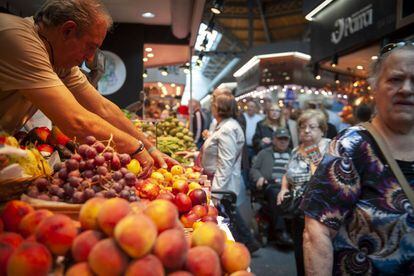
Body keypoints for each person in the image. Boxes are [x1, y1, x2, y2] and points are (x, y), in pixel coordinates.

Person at [0, 0, 177, 176]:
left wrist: (150, 148)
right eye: (90, 47)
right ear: (67, 30)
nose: (89, 58)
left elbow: (102, 107)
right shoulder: (19, 40)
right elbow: (76, 121)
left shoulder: (58, 58)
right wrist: (135, 148)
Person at [301, 43, 414, 274]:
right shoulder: (351, 146)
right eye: (395, 79)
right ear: (375, 87)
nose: (406, 89)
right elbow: (316, 233)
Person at [179, 88, 261, 253]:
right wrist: (195, 153)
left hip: (220, 182)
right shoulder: (223, 126)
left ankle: (243, 245)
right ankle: (247, 243)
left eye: (214, 104)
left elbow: (226, 163)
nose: (211, 107)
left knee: (227, 217)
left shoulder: (229, 129)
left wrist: (215, 194)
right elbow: (217, 153)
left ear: (219, 108)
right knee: (229, 215)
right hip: (217, 180)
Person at [276, 109, 330, 276]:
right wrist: (284, 188)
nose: (306, 131)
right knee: (300, 252)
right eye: (303, 127)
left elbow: (318, 175)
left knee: (317, 255)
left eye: (312, 127)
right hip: (298, 209)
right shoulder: (296, 150)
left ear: (322, 129)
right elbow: (287, 173)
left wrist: (311, 149)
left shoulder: (327, 147)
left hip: (318, 210)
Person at [250, 128, 293, 245]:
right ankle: (281, 231)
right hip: (270, 185)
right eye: (280, 139)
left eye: (285, 139)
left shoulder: (293, 154)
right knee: (276, 194)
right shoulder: (264, 153)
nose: (283, 142)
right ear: (274, 140)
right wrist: (259, 177)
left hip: (290, 186)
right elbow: (254, 169)